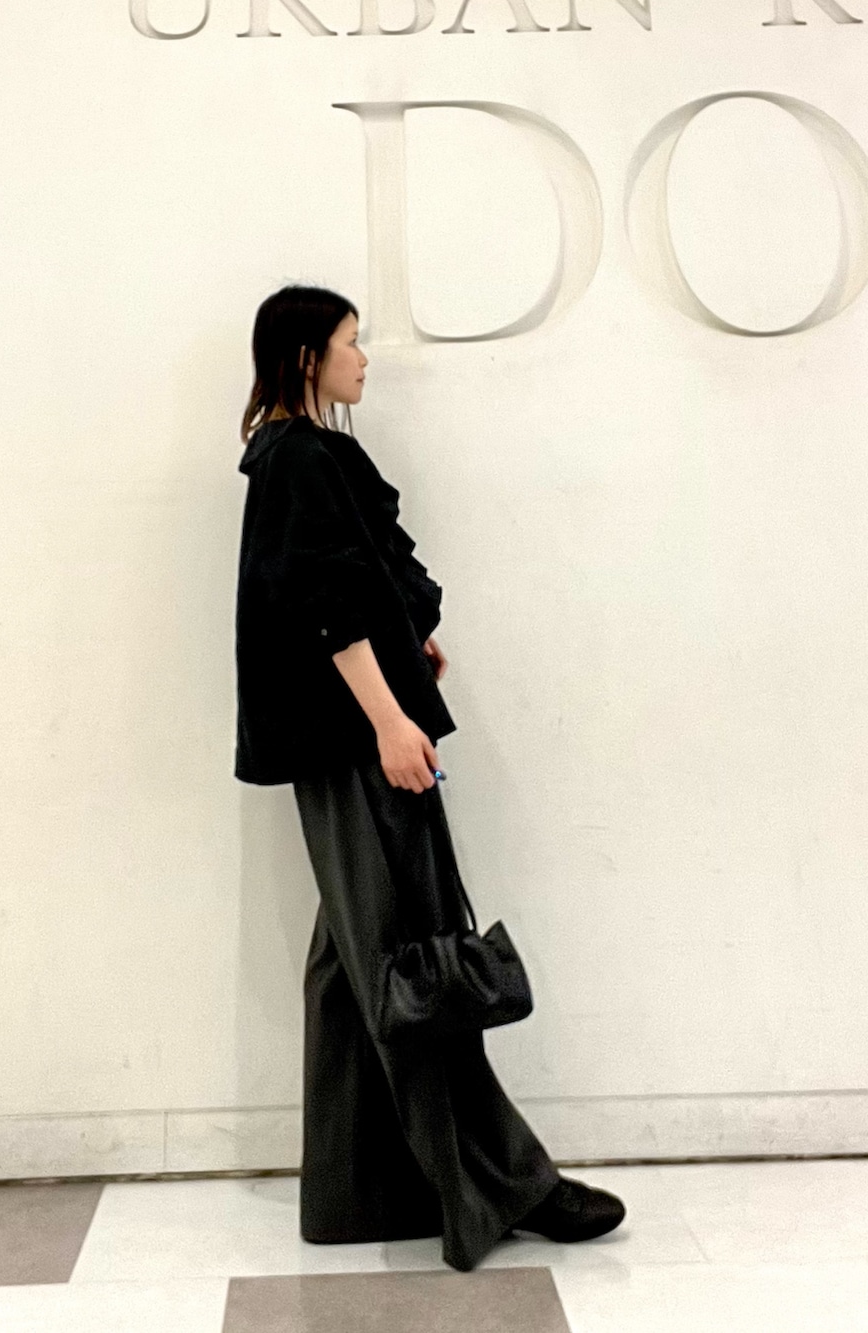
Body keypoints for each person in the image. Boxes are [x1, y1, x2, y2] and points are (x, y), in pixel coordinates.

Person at [234, 284, 626, 1272]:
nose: (364, 358)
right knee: (412, 965)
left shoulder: (301, 453)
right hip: (356, 742)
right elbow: (326, 609)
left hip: (348, 737)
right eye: (351, 341)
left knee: (353, 967)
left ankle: (355, 1191)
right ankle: (505, 1182)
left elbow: (360, 585)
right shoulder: (298, 457)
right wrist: (388, 720)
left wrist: (413, 645)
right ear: (306, 356)